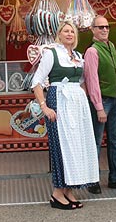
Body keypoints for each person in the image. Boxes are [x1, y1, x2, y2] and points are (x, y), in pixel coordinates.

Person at [31, 21, 99, 210]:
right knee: (62, 146)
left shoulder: (78, 55)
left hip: (76, 106)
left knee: (76, 146)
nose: (69, 34)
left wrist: (85, 104)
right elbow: (36, 82)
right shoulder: (51, 54)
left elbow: (83, 82)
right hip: (58, 101)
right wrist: (44, 107)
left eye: (72, 31)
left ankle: (69, 190)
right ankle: (57, 193)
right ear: (59, 35)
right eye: (65, 31)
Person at [84, 15, 116, 194]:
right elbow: (92, 80)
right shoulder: (92, 51)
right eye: (100, 27)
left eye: (107, 27)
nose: (104, 30)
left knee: (115, 140)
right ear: (93, 29)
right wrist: (99, 107)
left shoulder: (111, 46)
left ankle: (115, 177)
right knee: (96, 141)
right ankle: (92, 179)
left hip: (115, 99)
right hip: (103, 101)